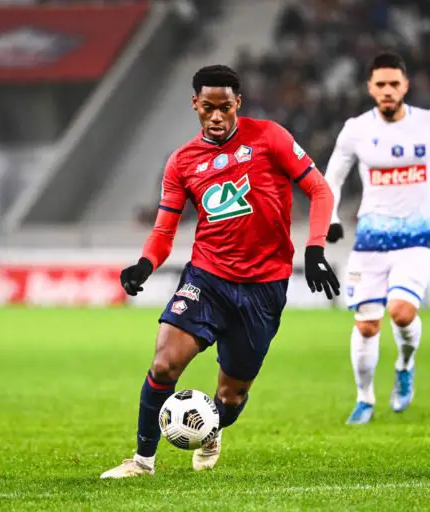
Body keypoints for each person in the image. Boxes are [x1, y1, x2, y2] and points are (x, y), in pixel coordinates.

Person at [100, 65, 340, 479]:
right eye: (208, 107)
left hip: (264, 288)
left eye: (224, 107)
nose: (216, 116)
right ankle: (142, 461)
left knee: (231, 397)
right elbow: (164, 230)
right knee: (163, 364)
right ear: (195, 104)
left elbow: (319, 189)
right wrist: (145, 264)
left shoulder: (269, 137)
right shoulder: (181, 162)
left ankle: (212, 430)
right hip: (207, 278)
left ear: (237, 103)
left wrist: (315, 248)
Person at [323, 52, 430, 425]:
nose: (387, 90)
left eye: (394, 83)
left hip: (416, 240)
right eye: (380, 84)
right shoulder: (355, 130)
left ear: (405, 86)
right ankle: (364, 398)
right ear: (370, 87)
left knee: (401, 311)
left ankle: (405, 364)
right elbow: (333, 178)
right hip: (370, 241)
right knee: (367, 324)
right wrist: (330, 217)